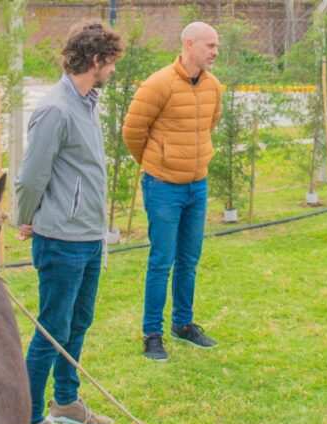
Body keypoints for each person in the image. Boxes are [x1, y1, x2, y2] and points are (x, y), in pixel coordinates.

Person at [15, 21, 122, 424]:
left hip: (89, 238)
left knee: (78, 323)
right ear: (95, 61)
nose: (113, 70)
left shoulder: (87, 102)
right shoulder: (55, 109)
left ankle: (66, 402)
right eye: (111, 62)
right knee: (51, 334)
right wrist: (25, 218)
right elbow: (31, 176)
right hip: (61, 241)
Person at [122, 22, 222, 361]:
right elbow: (133, 132)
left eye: (216, 45)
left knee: (189, 260)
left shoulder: (213, 87)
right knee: (161, 261)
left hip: (198, 186)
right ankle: (152, 333)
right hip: (163, 187)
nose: (214, 51)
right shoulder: (158, 84)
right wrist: (157, 162)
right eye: (209, 45)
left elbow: (209, 125)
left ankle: (183, 324)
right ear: (189, 44)